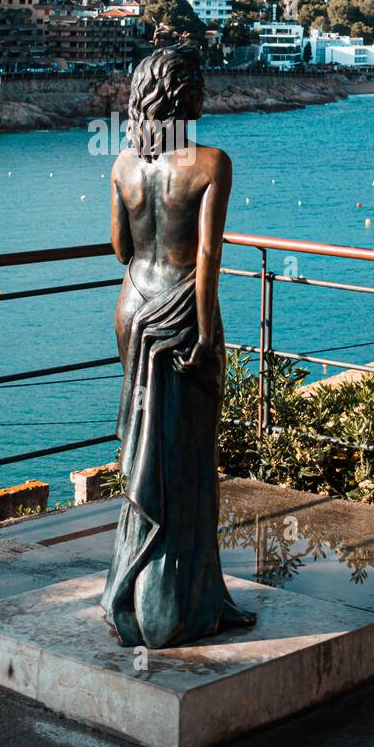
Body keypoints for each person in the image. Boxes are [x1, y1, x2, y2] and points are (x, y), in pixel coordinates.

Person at [101, 37, 256, 649]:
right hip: (184, 310)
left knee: (146, 450)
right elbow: (208, 258)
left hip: (133, 307)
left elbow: (119, 248)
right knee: (188, 460)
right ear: (187, 96)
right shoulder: (211, 163)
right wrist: (207, 333)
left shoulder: (121, 164)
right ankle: (184, 609)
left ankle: (131, 602)